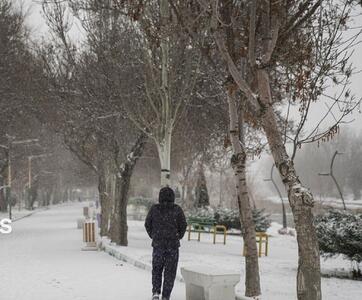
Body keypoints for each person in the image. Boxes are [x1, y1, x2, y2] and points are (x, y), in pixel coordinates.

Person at [145, 187, 187, 300]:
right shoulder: (177, 210)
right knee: (170, 272)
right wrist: (178, 236)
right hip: (172, 247)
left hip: (158, 246)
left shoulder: (154, 209)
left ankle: (155, 292)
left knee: (157, 269)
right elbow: (183, 225)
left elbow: (147, 224)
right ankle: (166, 295)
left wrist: (154, 236)